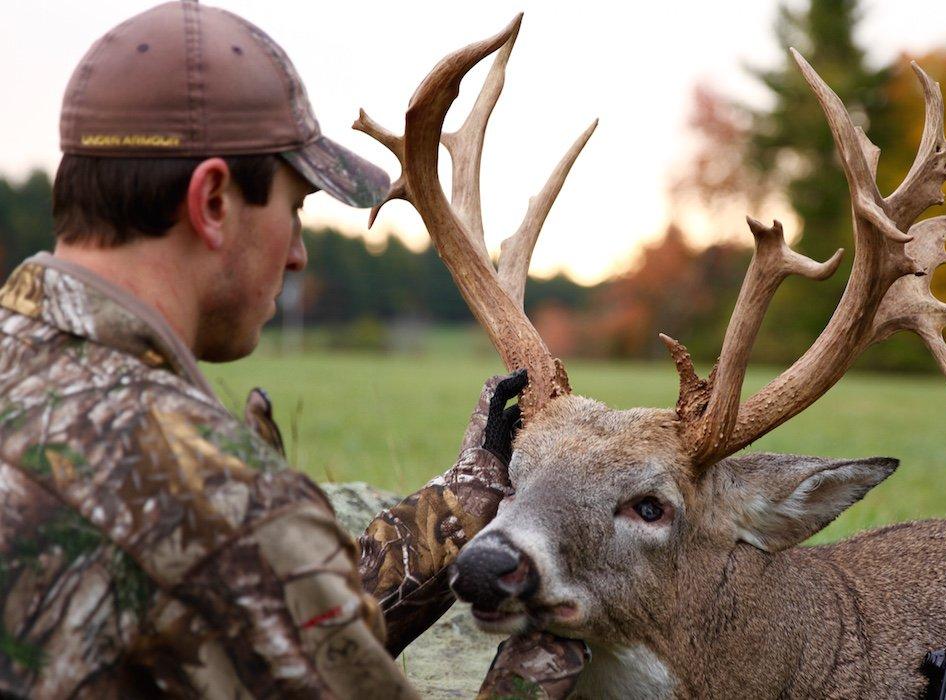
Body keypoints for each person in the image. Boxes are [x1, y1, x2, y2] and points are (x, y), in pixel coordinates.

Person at [0, 1, 586, 697]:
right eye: (297, 209)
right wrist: (530, 680)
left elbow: (261, 618)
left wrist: (470, 489)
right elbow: (252, 575)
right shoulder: (220, 502)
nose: (301, 256)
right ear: (213, 200)